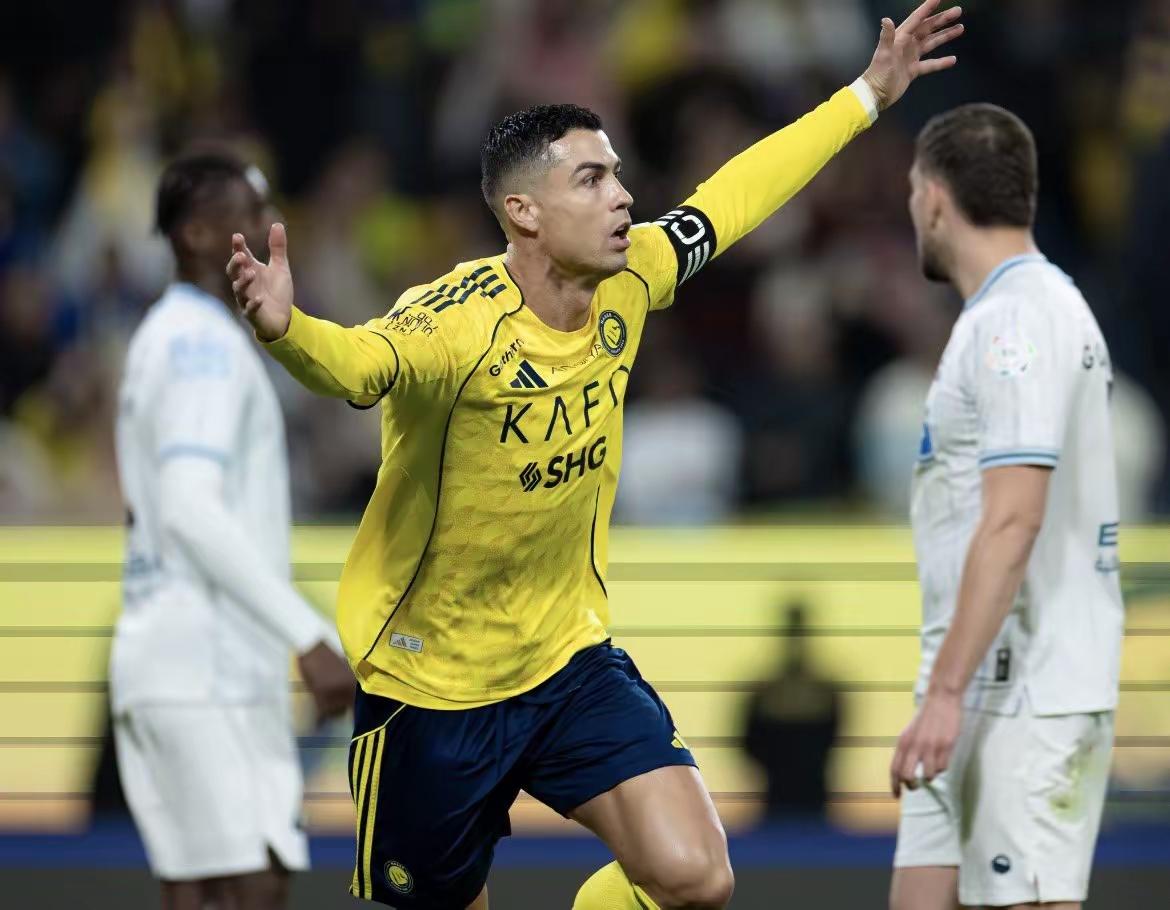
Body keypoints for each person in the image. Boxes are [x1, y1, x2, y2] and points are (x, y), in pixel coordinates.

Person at [227, 4, 963, 907]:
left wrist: (867, 95)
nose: (622, 196)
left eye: (616, 174)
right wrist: (287, 330)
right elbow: (357, 365)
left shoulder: (632, 275)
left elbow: (734, 196)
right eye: (591, 179)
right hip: (430, 683)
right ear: (523, 211)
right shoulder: (455, 322)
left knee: (696, 876)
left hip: (565, 658)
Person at [888, 104, 1123, 910]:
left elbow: (1015, 517)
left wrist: (946, 694)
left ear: (934, 199)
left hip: (1024, 691)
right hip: (974, 682)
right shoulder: (1021, 310)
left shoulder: (1016, 322)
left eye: (912, 190)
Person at [111, 152, 354, 910]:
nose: (269, 226)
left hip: (165, 656)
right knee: (254, 884)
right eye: (250, 213)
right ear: (195, 234)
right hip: (208, 668)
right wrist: (306, 634)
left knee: (197, 891)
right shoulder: (203, 347)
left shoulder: (165, 334)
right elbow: (188, 504)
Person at [741, 601, 840, 823]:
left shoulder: (766, 693)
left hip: (793, 794)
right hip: (793, 793)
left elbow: (749, 743)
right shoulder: (823, 691)